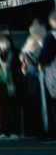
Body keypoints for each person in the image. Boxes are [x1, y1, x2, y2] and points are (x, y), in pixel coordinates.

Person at [21, 21, 47, 140]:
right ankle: (40, 130)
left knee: (39, 104)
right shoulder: (34, 40)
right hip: (32, 76)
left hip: (38, 76)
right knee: (36, 103)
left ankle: (43, 131)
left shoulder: (41, 41)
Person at [36, 9, 56, 143]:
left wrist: (40, 62)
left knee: (51, 105)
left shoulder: (51, 37)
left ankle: (51, 133)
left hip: (52, 75)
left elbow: (45, 56)